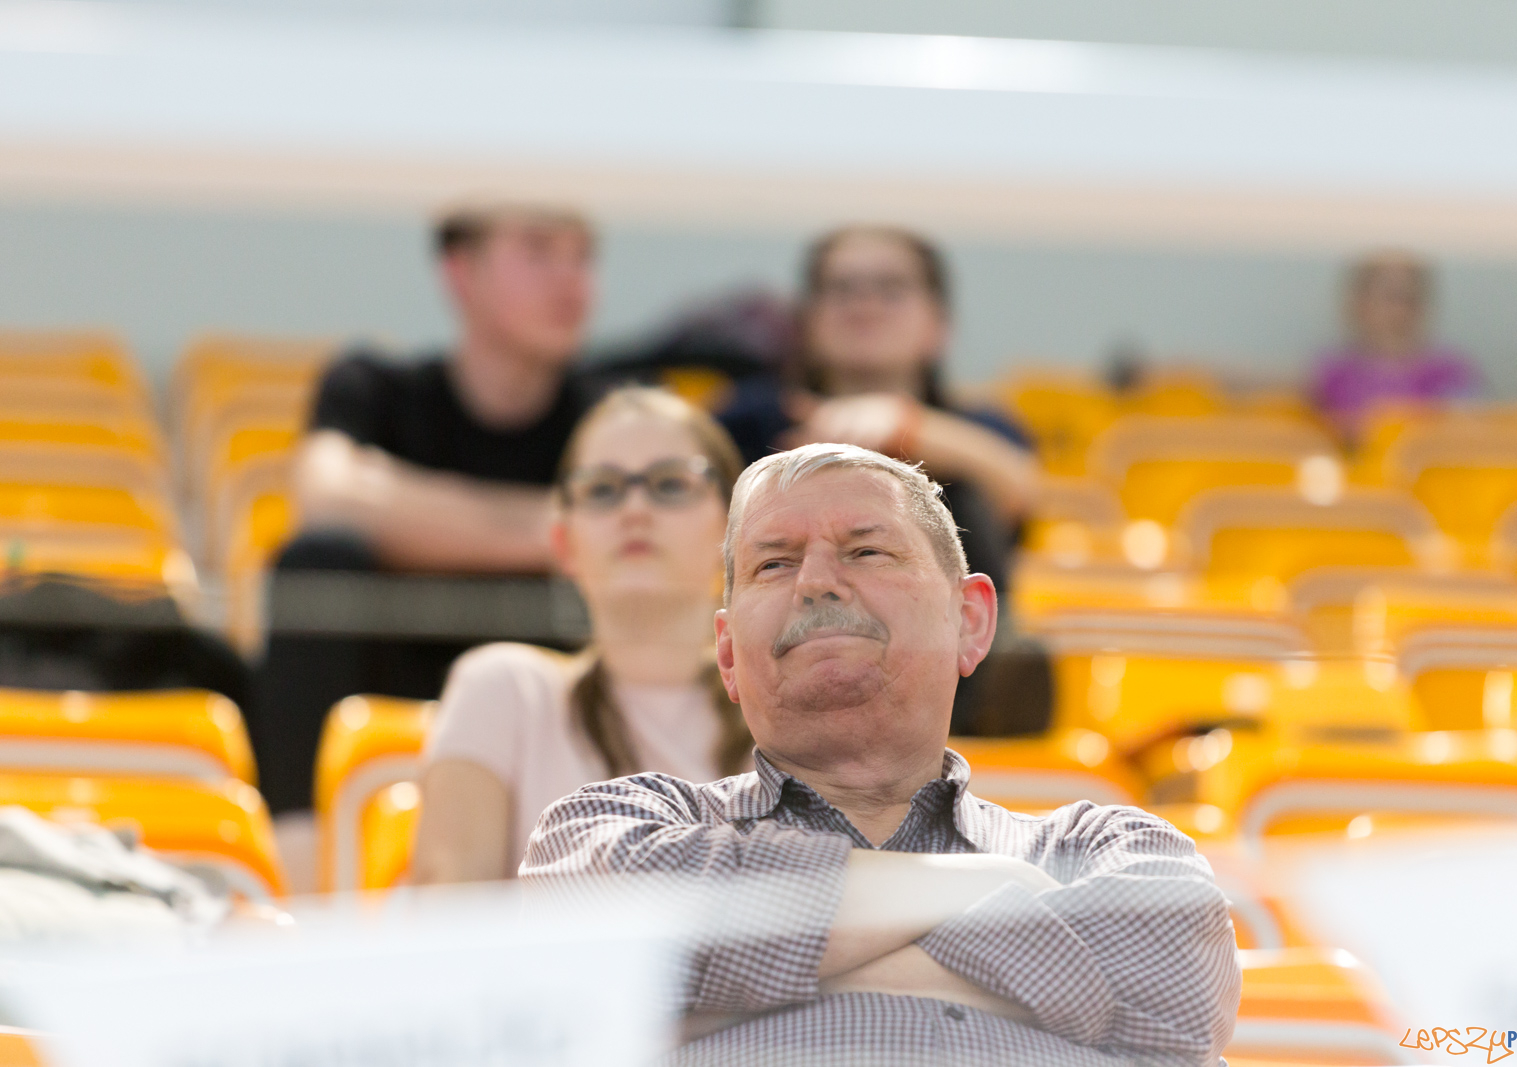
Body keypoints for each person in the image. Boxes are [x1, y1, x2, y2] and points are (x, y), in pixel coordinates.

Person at [522, 443, 1241, 1066]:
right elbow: (582, 946)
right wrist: (982, 888)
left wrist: (716, 989)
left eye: (866, 550)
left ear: (971, 619)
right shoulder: (608, 826)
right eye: (773, 563)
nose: (815, 581)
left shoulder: (1105, 845)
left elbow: (1177, 988)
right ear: (727, 652)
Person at [252, 203, 606, 815]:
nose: (571, 279)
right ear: (460, 270)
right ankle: (299, 846)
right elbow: (326, 498)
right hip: (382, 679)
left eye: (583, 256)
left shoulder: (612, 415)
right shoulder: (373, 387)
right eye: (541, 249)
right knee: (319, 564)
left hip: (552, 694)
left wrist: (408, 512)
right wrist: (557, 525)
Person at [410, 387, 752, 883]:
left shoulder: (785, 713)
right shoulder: (504, 690)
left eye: (672, 485)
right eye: (602, 489)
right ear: (563, 543)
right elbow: (449, 926)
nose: (635, 508)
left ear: (734, 533)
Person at [717, 226, 1041, 591]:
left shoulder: (983, 425)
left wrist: (909, 428)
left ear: (938, 324)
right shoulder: (751, 417)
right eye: (841, 289)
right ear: (806, 320)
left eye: (891, 289)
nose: (864, 307)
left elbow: (1025, 496)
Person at [1311, 250, 1480, 441]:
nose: (1400, 311)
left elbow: (1469, 429)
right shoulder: (1333, 372)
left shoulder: (1450, 371)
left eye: (1410, 299)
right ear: (1358, 303)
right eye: (1390, 297)